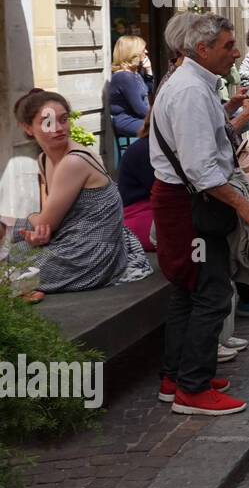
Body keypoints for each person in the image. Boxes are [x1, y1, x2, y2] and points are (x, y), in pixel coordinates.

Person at [150, 13, 249, 416]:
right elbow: (201, 170)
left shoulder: (195, 85)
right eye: (227, 46)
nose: (236, 53)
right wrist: (244, 204)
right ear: (202, 50)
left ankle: (177, 377)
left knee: (190, 289)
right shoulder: (190, 91)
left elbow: (211, 148)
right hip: (188, 205)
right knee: (211, 292)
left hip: (185, 202)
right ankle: (193, 389)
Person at [7, 90, 152, 299]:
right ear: (28, 128)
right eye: (47, 122)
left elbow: (47, 221)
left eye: (63, 119)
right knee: (11, 252)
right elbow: (48, 223)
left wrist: (25, 223)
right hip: (70, 243)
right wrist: (39, 232)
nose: (58, 128)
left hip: (91, 256)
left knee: (7, 262)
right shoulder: (44, 159)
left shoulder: (73, 161)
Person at [118, 112, 157, 251]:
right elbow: (162, 192)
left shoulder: (150, 144)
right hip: (139, 220)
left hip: (147, 212)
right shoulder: (146, 149)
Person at [108, 35, 153, 138]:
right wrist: (158, 117)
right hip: (128, 121)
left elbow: (149, 90)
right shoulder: (125, 76)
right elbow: (141, 110)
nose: (146, 52)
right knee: (163, 129)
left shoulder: (133, 74)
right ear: (132, 53)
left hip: (138, 119)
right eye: (142, 49)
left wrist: (149, 70)